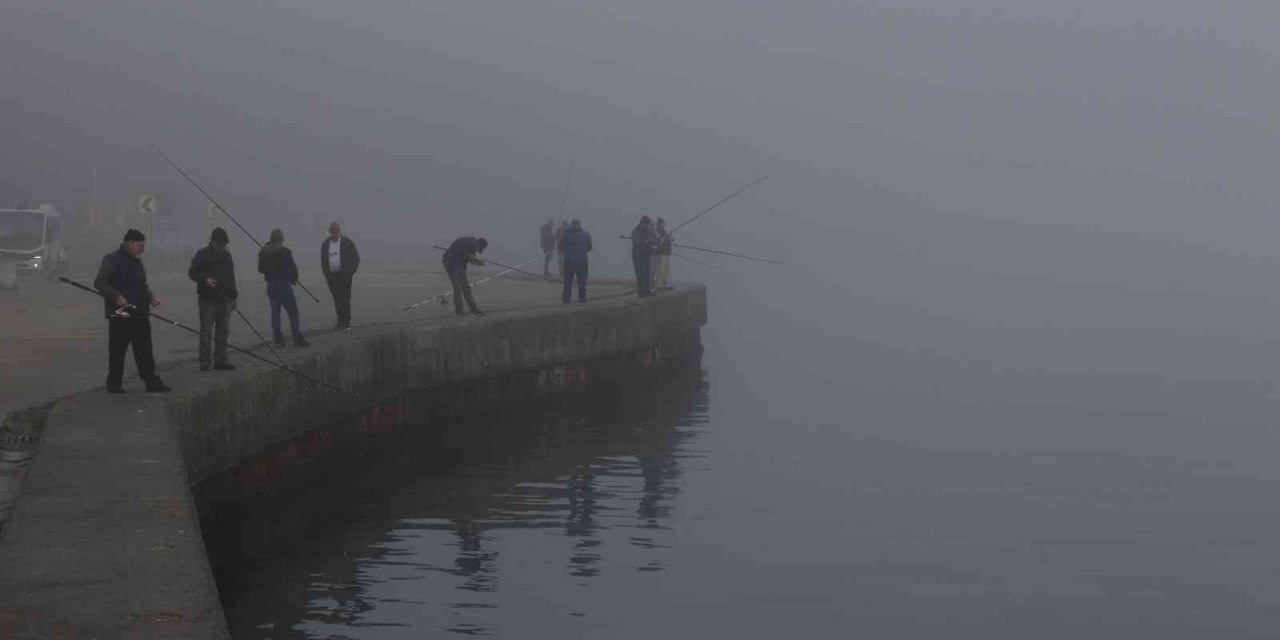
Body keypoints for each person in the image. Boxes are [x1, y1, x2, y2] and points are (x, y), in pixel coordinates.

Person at [94, 229, 171, 393]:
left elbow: (142, 285)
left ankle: (151, 381)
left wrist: (151, 297)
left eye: (144, 245)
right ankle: (114, 384)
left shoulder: (137, 262)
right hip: (120, 312)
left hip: (140, 312)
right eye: (140, 245)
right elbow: (100, 282)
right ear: (129, 242)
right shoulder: (112, 260)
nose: (142, 249)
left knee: (144, 349)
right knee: (118, 350)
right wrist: (116, 296)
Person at [188, 227, 238, 371]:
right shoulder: (202, 255)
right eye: (221, 244)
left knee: (223, 332)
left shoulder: (227, 256)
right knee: (206, 333)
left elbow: (231, 278)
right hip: (207, 300)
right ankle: (205, 362)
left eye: (225, 245)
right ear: (213, 242)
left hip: (224, 300)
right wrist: (205, 280)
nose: (223, 247)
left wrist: (234, 297)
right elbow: (192, 273)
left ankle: (220, 361)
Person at [258, 228, 310, 348]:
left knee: (275, 313)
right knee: (293, 312)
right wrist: (293, 279)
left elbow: (260, 269)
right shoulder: (285, 252)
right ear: (281, 239)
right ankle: (297, 338)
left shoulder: (263, 251)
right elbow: (292, 269)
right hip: (284, 286)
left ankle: (278, 340)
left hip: (270, 286)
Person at [320, 222, 360, 330]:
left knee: (345, 299)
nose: (334, 231)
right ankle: (340, 321)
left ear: (339, 230)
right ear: (330, 231)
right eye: (332, 230)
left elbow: (355, 257)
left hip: (345, 276)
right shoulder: (325, 244)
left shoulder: (347, 242)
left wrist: (351, 272)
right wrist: (327, 275)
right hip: (332, 277)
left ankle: (346, 321)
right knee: (337, 299)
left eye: (336, 229)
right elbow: (323, 261)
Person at [442, 236, 488, 316]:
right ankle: (459, 311)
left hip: (459, 265)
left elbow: (469, 258)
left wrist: (479, 262)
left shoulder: (472, 244)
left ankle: (473, 309)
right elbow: (469, 256)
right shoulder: (473, 244)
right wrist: (480, 261)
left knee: (466, 288)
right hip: (452, 264)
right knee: (458, 289)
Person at [559, 219, 592, 304]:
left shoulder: (565, 235)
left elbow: (561, 248)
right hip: (582, 261)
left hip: (569, 261)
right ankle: (582, 300)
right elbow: (589, 248)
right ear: (579, 225)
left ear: (571, 224)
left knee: (567, 283)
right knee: (582, 282)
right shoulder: (586, 234)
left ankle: (566, 300)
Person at [630, 216, 656, 297]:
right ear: (643, 224)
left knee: (647, 272)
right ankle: (641, 291)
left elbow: (652, 240)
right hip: (638, 255)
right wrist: (646, 242)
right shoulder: (635, 231)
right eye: (648, 224)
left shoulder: (648, 232)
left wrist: (651, 243)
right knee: (640, 272)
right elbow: (637, 242)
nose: (648, 226)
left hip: (646, 254)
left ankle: (647, 290)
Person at [651, 217, 673, 290]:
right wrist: (661, 239)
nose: (663, 225)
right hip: (660, 253)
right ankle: (660, 283)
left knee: (666, 268)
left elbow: (667, 241)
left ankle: (665, 282)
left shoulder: (665, 232)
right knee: (661, 268)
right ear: (658, 224)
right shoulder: (655, 232)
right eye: (661, 223)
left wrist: (669, 239)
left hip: (666, 253)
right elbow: (655, 242)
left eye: (663, 223)